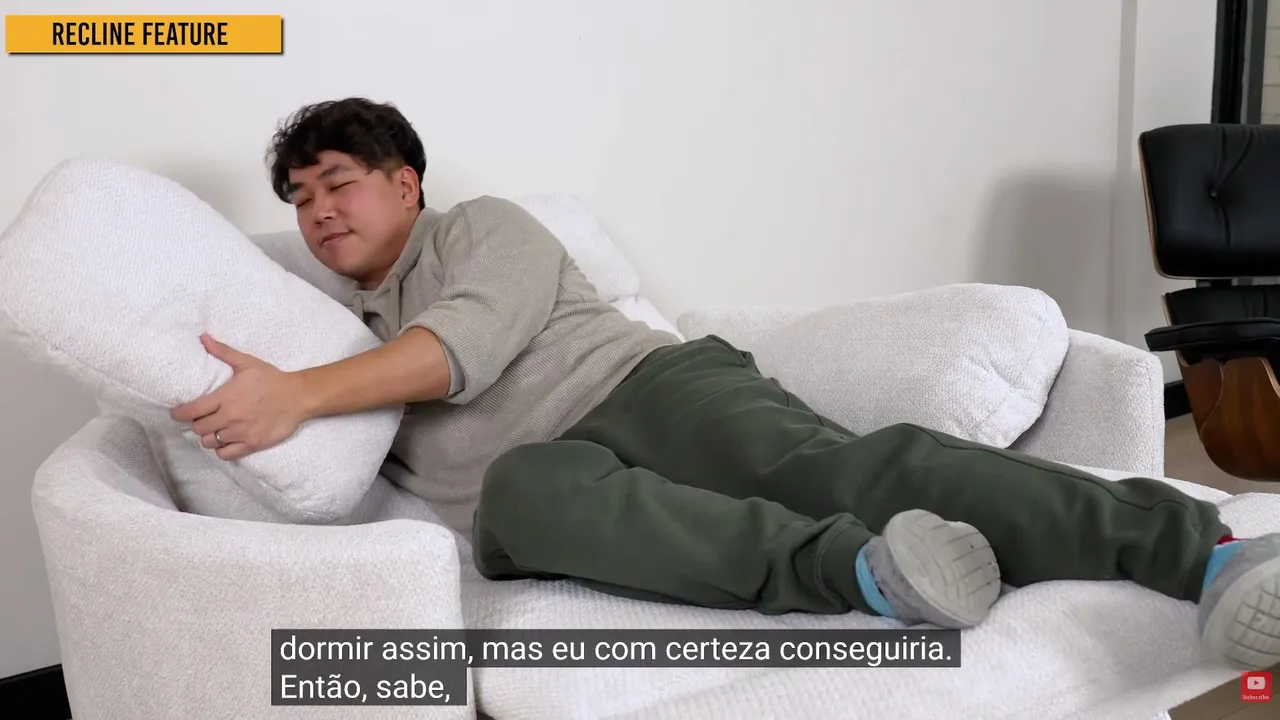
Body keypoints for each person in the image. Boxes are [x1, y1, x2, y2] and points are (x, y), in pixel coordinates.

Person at [170, 97, 1280, 671]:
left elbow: (464, 347)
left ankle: (1204, 554)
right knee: (519, 494)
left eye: (338, 183)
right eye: (299, 200)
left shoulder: (481, 231)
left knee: (847, 471)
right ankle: (872, 574)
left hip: (649, 390)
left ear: (406, 183)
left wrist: (300, 393)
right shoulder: (335, 331)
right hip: (546, 478)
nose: (318, 213)